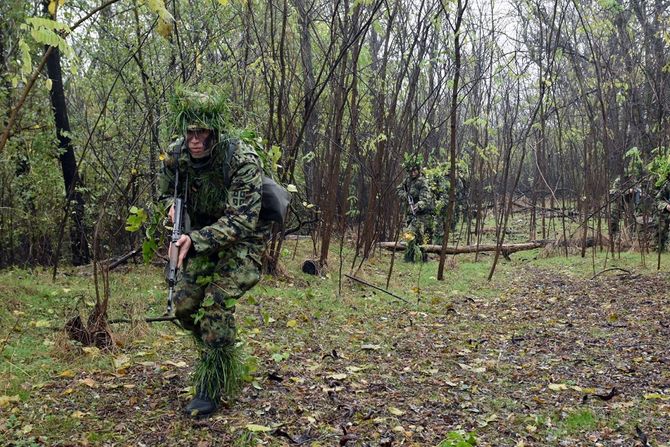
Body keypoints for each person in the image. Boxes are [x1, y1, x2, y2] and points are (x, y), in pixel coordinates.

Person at [158, 89, 270, 417]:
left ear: (214, 132)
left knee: (215, 306)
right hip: (199, 234)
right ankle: (216, 348)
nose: (194, 140)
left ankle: (211, 384)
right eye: (190, 132)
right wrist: (172, 213)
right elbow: (163, 194)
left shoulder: (241, 158)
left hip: (242, 240)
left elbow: (242, 220)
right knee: (182, 306)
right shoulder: (176, 156)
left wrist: (195, 240)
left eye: (202, 133)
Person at [396, 160, 434, 262]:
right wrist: (405, 195)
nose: (413, 173)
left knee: (411, 234)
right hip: (409, 213)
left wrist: (419, 205)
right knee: (415, 237)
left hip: (421, 214)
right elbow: (398, 189)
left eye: (415, 170)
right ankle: (418, 257)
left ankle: (412, 257)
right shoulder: (407, 180)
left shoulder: (422, 181)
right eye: (411, 171)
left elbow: (425, 197)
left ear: (418, 170)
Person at [655, 174, 670, 251]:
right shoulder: (666, 185)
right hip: (666, 212)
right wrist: (666, 205)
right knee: (660, 228)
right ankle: (660, 246)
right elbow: (658, 200)